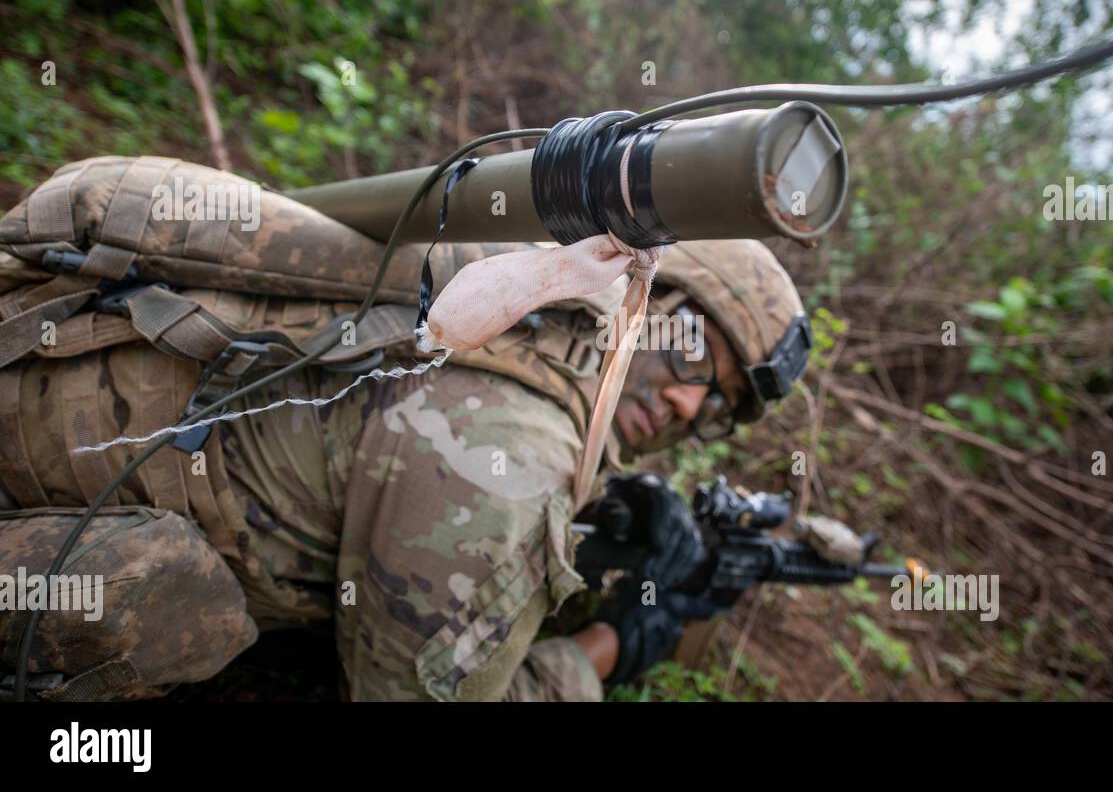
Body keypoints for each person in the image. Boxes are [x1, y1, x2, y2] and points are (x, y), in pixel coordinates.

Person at [0, 198, 809, 700]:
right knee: (179, 618)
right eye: (693, 352)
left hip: (46, 350)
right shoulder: (513, 455)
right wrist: (610, 650)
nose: (685, 400)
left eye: (718, 403)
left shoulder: (509, 290)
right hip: (25, 479)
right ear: (642, 291)